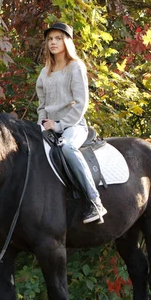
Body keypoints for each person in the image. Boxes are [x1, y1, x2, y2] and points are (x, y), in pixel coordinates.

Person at [36, 22, 107, 224]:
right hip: (47, 126)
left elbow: (81, 103)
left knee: (67, 147)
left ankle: (95, 202)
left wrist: (58, 125)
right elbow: (42, 105)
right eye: (50, 39)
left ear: (66, 41)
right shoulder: (44, 73)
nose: (53, 42)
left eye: (58, 38)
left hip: (73, 125)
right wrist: (43, 122)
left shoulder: (75, 67)